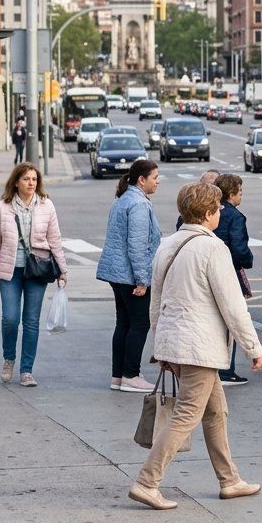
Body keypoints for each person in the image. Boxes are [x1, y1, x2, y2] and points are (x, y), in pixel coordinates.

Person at [127, 182, 262, 511]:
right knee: (187, 414)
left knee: (216, 411)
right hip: (199, 346)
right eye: (218, 209)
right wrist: (254, 348)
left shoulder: (168, 244)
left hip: (177, 344)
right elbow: (233, 306)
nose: (221, 213)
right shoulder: (213, 248)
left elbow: (156, 302)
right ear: (207, 214)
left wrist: (161, 346)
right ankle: (148, 482)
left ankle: (229, 480)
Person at [0, 163, 67, 387]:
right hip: (10, 270)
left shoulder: (47, 205)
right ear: (16, 181)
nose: (31, 183)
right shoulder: (3, 207)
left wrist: (62, 270)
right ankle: (9, 358)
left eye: (34, 179)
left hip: (37, 269)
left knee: (31, 321)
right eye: (26, 179)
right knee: (10, 319)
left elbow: (55, 239)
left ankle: (26, 370)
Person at [97, 159, 163, 394]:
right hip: (130, 275)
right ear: (141, 179)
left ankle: (118, 375)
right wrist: (142, 280)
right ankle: (131, 375)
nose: (158, 182)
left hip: (117, 273)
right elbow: (136, 245)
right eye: (155, 177)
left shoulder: (124, 199)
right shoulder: (138, 204)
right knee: (139, 324)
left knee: (123, 323)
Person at [212, 174, 251, 386]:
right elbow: (239, 248)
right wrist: (248, 259)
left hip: (207, 271)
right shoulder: (235, 216)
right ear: (231, 193)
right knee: (231, 320)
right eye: (240, 191)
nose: (241, 196)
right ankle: (227, 371)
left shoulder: (208, 210)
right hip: (228, 272)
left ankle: (215, 368)